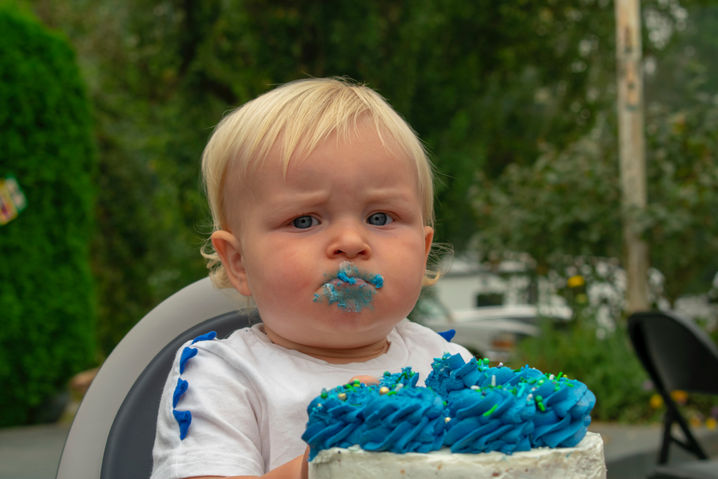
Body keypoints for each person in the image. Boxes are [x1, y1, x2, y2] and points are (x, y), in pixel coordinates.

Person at [150, 77, 473, 479]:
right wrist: (320, 466)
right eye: (304, 221)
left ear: (423, 251)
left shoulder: (451, 368)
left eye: (380, 218)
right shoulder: (224, 377)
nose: (351, 242)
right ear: (239, 262)